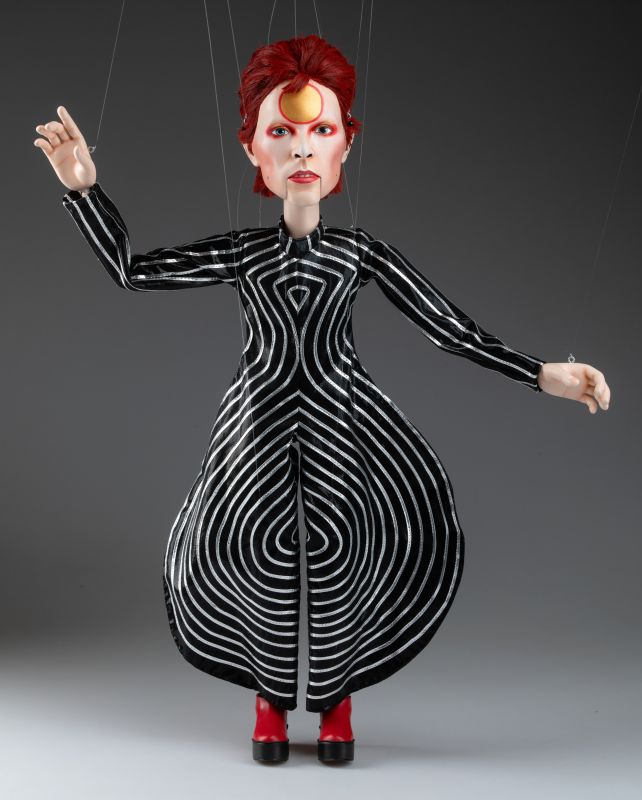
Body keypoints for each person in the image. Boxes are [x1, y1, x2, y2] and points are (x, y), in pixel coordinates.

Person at [34, 34, 611, 765]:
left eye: (321, 130)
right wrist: (84, 190)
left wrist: (541, 372)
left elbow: (449, 328)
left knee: (348, 547)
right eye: (280, 132)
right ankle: (270, 700)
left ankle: (337, 701)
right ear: (251, 149)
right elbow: (133, 270)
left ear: (345, 145)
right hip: (257, 421)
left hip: (344, 416)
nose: (302, 148)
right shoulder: (246, 252)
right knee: (253, 547)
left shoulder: (359, 252)